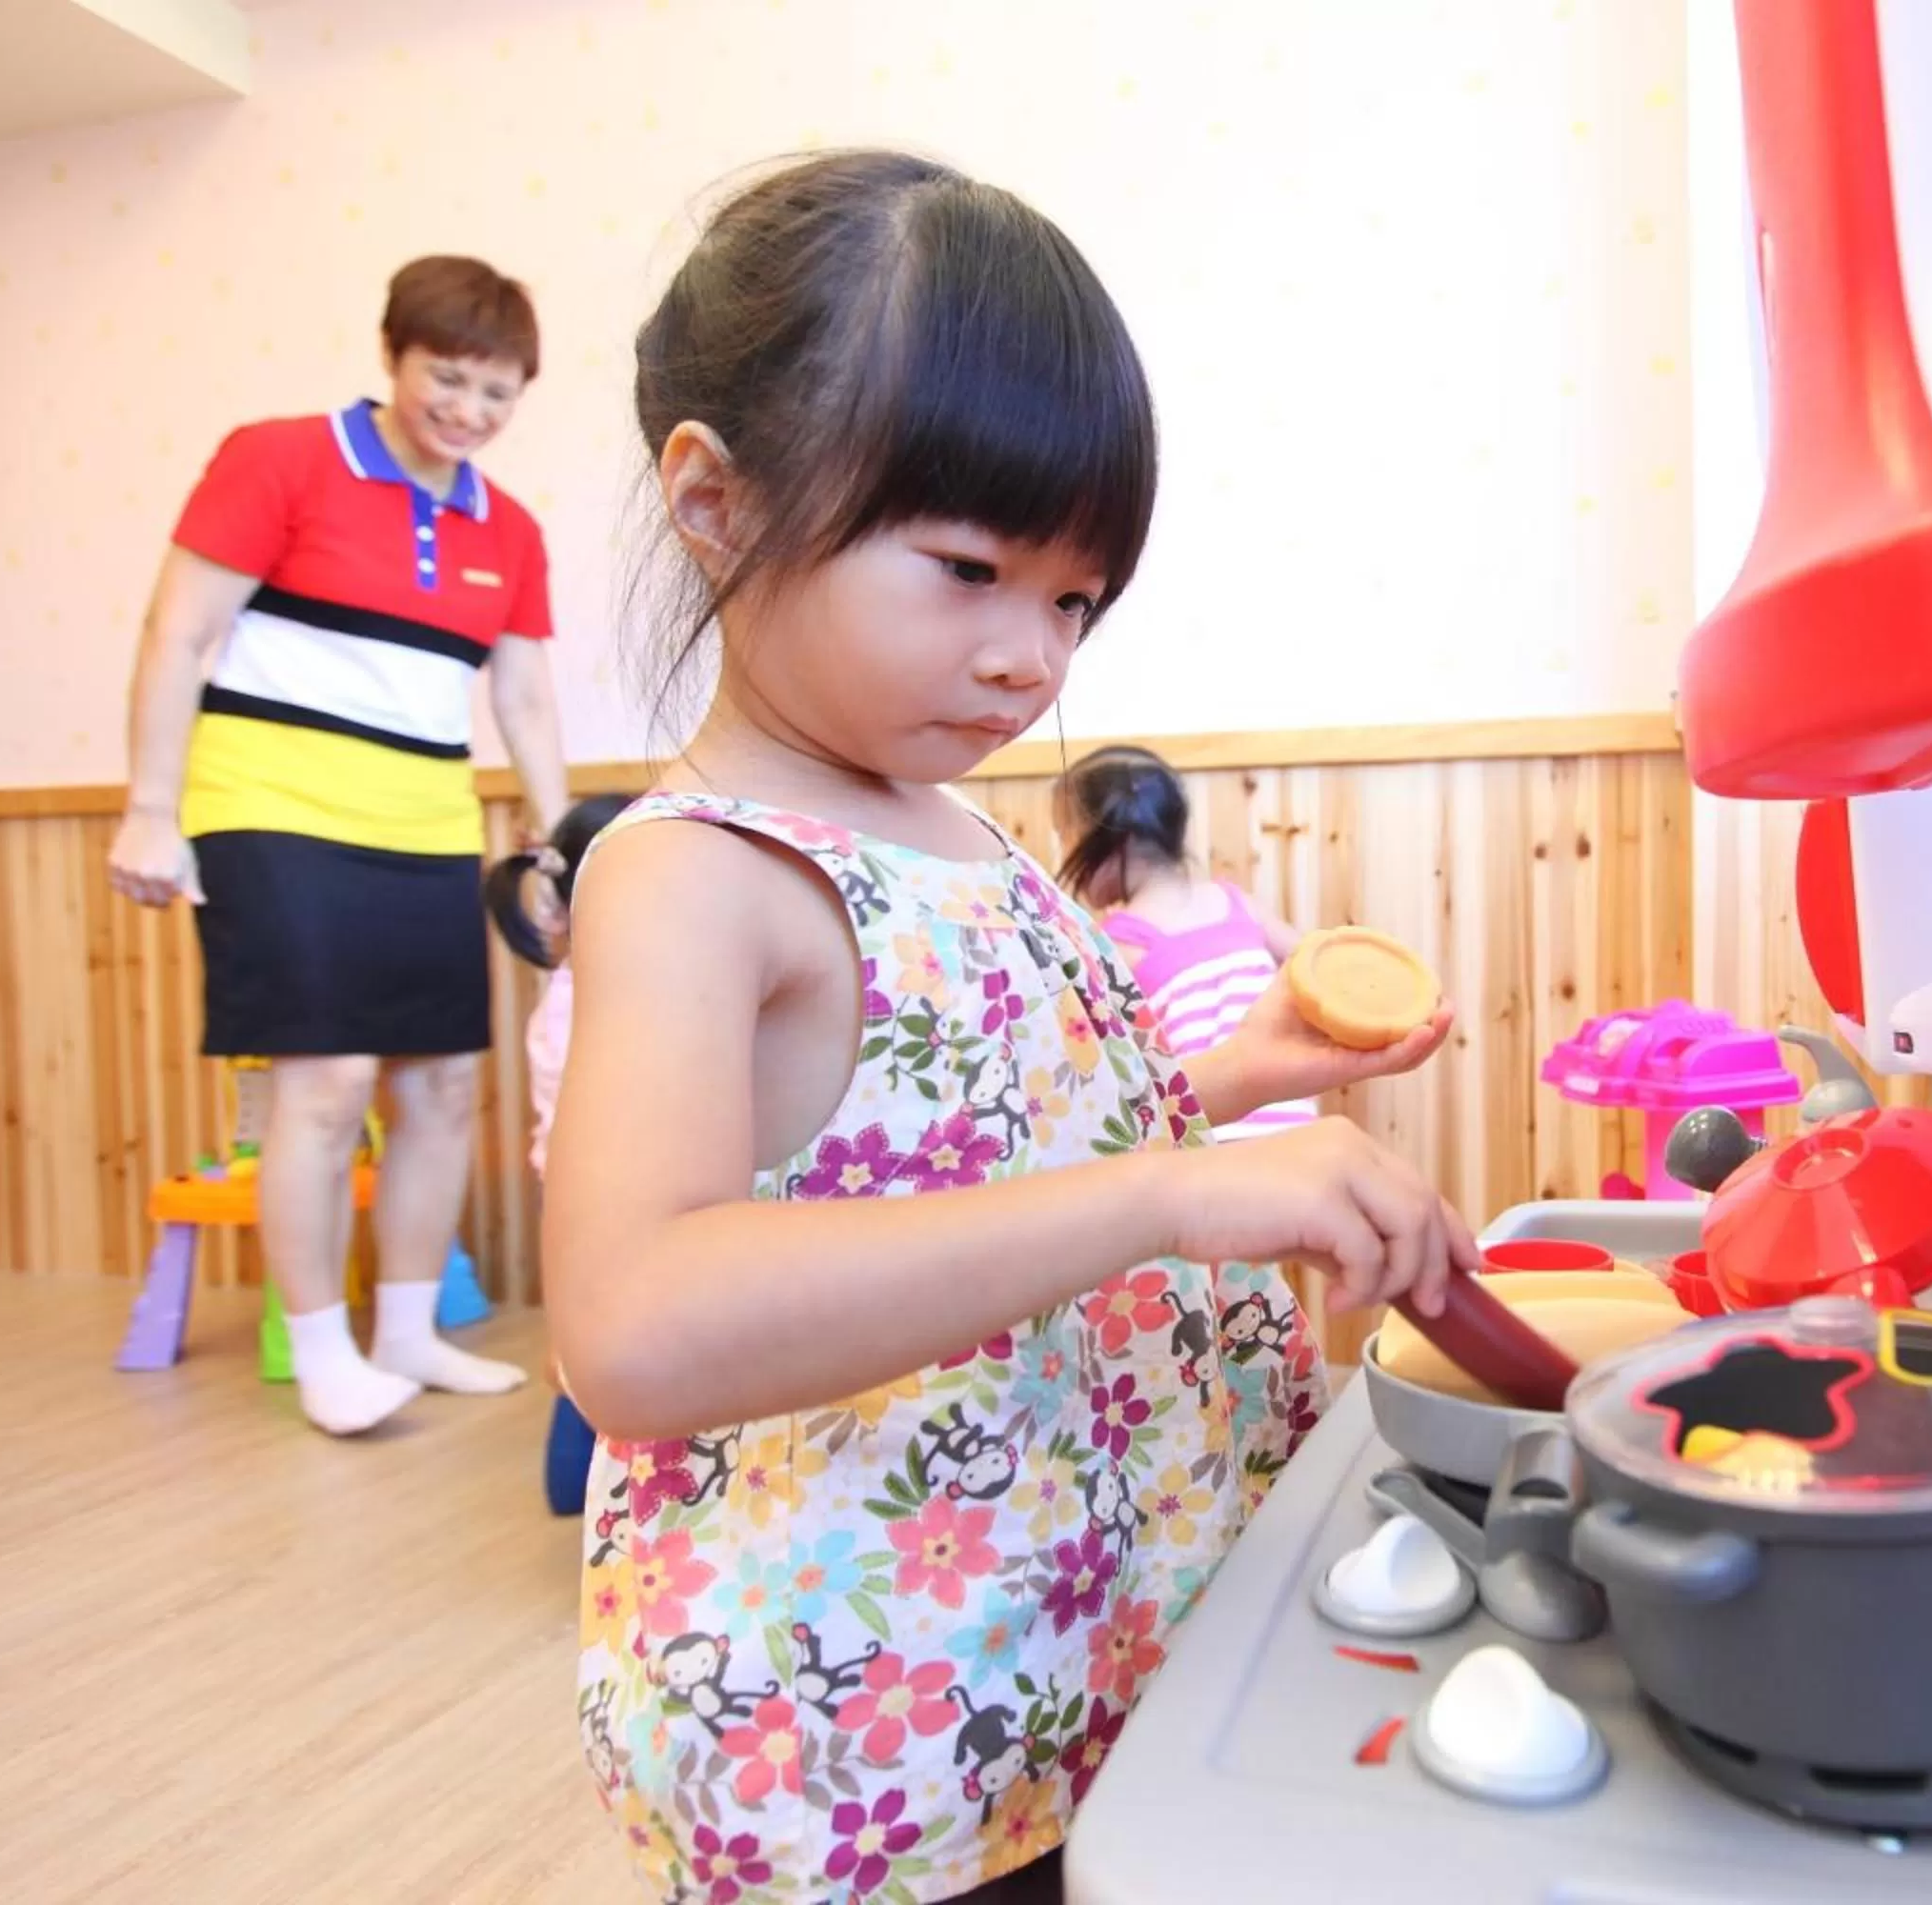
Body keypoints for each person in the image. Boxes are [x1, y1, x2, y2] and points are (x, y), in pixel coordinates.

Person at [546, 150, 1474, 1903]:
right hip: (887, 1720)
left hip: (1091, 1643)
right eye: (969, 567)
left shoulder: (962, 828)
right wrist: (1172, 1198)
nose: (1029, 660)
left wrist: (1234, 1082)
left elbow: (970, 1143)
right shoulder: (694, 874)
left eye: (1072, 601)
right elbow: (637, 1329)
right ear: (715, 502)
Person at [105, 256, 570, 1436]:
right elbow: (181, 630)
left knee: (445, 1084)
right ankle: (322, 1350)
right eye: (446, 377)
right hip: (271, 805)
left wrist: (556, 832)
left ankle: (408, 1330)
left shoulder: (506, 528)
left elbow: (523, 698)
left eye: (497, 393)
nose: (467, 411)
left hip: (418, 817)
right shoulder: (278, 458)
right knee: (325, 1083)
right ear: (394, 355)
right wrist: (150, 806)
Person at [482, 792, 634, 1517]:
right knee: (598, 1346)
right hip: (603, 1194)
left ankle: (576, 1486)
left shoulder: (581, 986)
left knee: (594, 1341)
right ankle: (578, 1488)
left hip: (589, 1190)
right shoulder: (596, 995)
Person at [1054, 746, 1317, 1140]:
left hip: (1209, 1143)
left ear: (1106, 840)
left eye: (1064, 838)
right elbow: (1312, 964)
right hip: (1294, 1130)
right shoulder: (1236, 904)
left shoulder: (1117, 944)